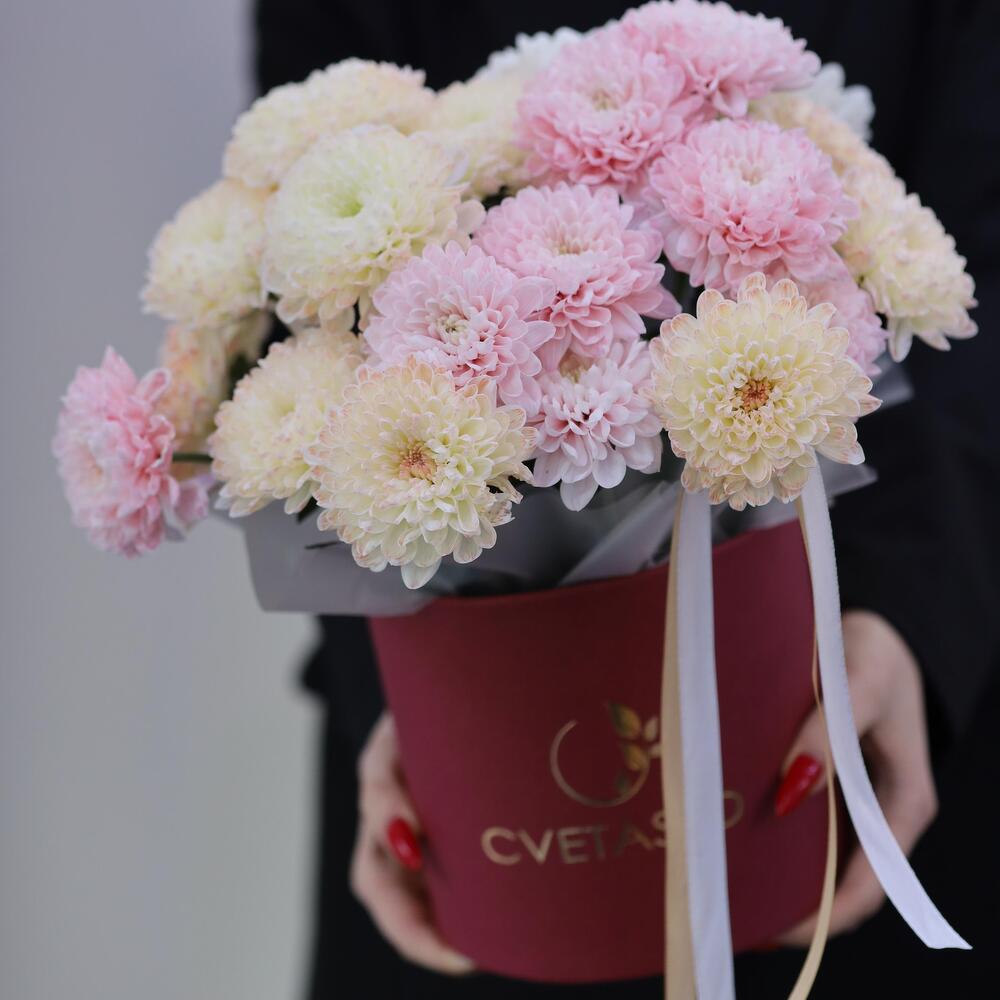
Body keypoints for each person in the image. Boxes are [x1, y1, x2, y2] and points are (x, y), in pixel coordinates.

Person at [253, 2, 1000, 996]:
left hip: (863, 711)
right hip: (469, 758)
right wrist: (401, 680)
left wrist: (915, 617)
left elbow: (982, 252)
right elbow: (296, 282)